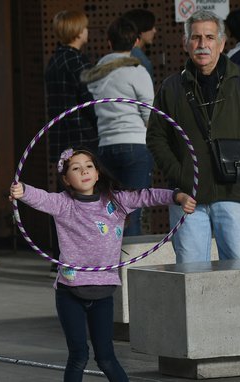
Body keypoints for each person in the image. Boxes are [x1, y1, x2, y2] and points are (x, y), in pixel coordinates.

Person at [10, 148, 195, 382]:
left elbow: (146, 196)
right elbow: (40, 197)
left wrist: (177, 196)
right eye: (75, 168)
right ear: (66, 179)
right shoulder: (63, 204)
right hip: (70, 290)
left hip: (103, 289)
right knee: (78, 354)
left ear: (97, 173)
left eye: (89, 165)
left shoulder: (116, 201)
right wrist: (21, 190)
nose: (83, 170)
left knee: (106, 356)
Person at [147, 9, 240, 264]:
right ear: (185, 43)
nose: (203, 44)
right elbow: (156, 136)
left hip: (235, 192)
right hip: (188, 197)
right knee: (190, 274)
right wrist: (180, 174)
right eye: (196, 37)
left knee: (239, 273)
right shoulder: (171, 88)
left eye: (210, 37)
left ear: (221, 43)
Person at [81, 17, 154, 236]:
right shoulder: (137, 71)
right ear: (136, 42)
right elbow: (149, 112)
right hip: (135, 145)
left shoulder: (96, 73)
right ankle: (130, 258)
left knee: (110, 211)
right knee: (132, 210)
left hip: (105, 147)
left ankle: (111, 255)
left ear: (109, 42)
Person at [44, 10, 98, 274]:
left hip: (59, 139)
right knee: (84, 198)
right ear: (77, 31)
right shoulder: (77, 61)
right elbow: (90, 101)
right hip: (81, 138)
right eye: (85, 27)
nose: (87, 31)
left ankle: (60, 256)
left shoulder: (53, 60)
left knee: (63, 200)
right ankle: (82, 256)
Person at [122, 9, 157, 83]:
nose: (154, 31)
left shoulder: (120, 53)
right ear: (141, 31)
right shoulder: (141, 61)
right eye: (151, 27)